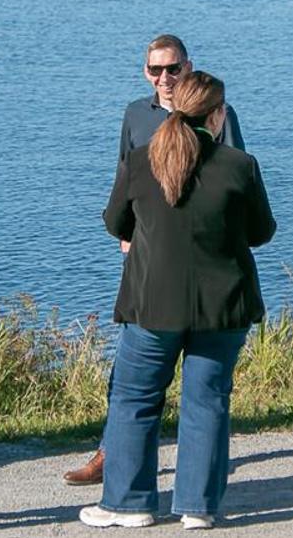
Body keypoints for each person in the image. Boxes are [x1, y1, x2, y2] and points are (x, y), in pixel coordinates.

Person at [79, 71, 275, 530]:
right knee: (206, 401)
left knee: (135, 399)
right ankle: (198, 506)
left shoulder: (141, 161)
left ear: (173, 109)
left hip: (152, 304)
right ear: (218, 114)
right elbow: (262, 233)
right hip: (222, 306)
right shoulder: (239, 165)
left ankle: (128, 503)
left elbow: (114, 223)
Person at [64, 34, 244, 487]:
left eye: (172, 69)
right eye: (154, 70)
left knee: (197, 378)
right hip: (148, 256)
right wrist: (126, 233)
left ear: (188, 67)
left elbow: (236, 175)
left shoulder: (220, 114)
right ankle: (111, 453)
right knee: (136, 365)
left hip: (201, 260)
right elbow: (124, 177)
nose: (164, 78)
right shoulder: (135, 115)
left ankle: (187, 471)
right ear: (146, 73)